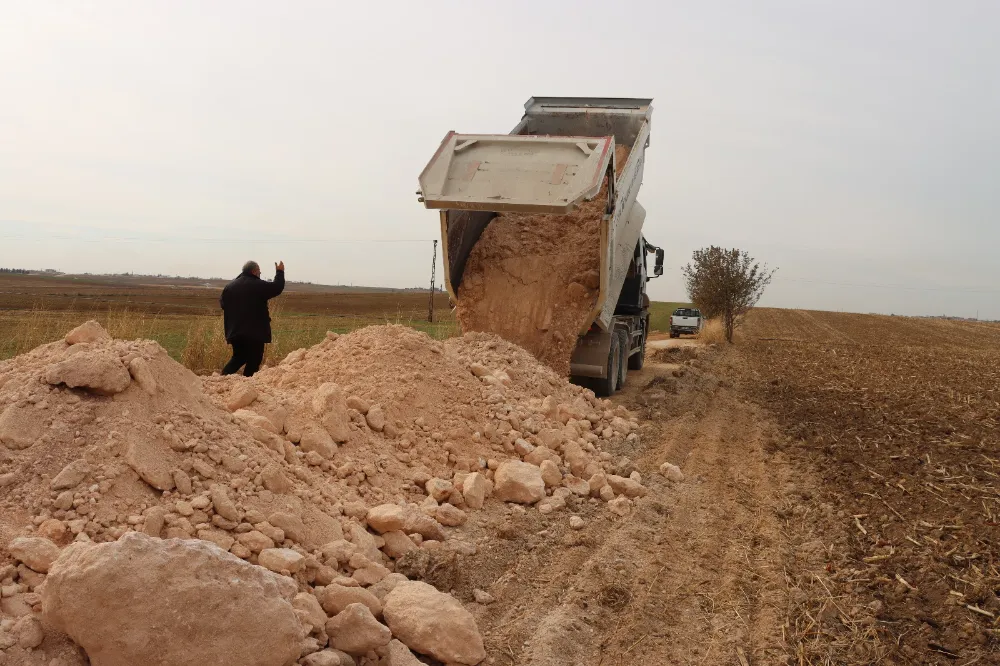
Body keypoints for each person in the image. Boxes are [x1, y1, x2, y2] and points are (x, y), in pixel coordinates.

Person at [220, 260, 285, 377]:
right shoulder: (257, 284)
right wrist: (279, 272)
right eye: (259, 272)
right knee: (254, 359)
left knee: (238, 357)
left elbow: (223, 305)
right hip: (255, 332)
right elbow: (277, 287)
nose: (260, 274)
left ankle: (222, 378)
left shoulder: (229, 287)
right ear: (254, 271)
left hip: (235, 331)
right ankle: (247, 384)